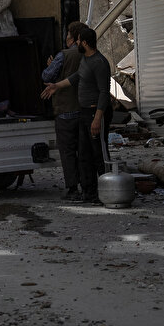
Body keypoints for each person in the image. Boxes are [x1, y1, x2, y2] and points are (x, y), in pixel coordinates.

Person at [42, 26, 113, 206]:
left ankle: (107, 191)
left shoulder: (99, 62)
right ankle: (89, 193)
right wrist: (56, 86)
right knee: (84, 155)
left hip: (94, 112)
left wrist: (97, 118)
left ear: (85, 43)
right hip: (83, 112)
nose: (76, 43)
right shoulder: (85, 60)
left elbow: (104, 93)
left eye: (79, 40)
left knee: (99, 154)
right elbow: (76, 77)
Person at [40, 21, 86, 201]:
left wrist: (51, 66)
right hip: (84, 110)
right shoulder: (89, 55)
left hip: (65, 110)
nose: (65, 37)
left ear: (73, 38)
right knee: (83, 151)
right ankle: (88, 186)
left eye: (68, 34)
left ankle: (73, 188)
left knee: (67, 152)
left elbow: (47, 76)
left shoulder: (64, 55)